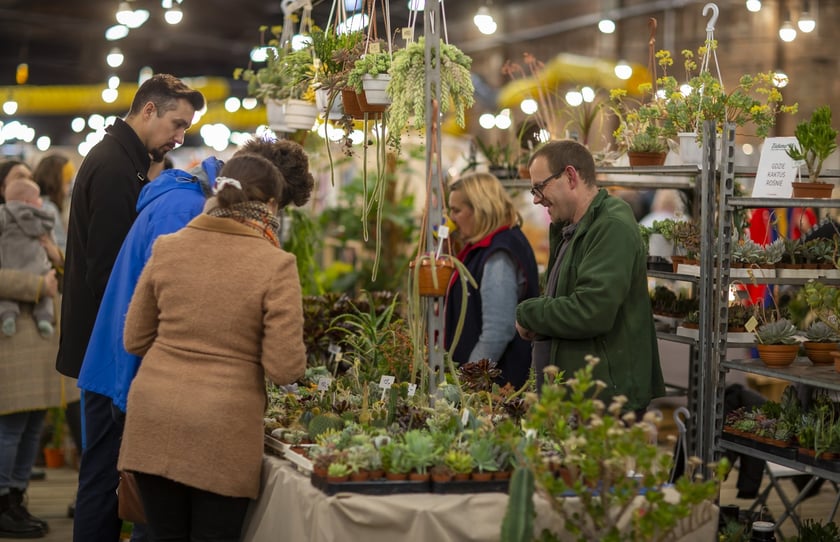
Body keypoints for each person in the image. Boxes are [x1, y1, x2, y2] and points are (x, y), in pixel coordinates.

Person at [118, 154, 307, 541]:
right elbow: (285, 367)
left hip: (154, 418)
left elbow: (134, 338)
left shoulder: (168, 247)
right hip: (224, 427)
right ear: (271, 205)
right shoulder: (275, 264)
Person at [56, 73, 204, 542]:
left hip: (105, 342)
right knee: (103, 472)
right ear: (147, 111)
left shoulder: (120, 159)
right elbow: (109, 271)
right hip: (108, 347)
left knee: (105, 469)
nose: (179, 137)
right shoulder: (117, 167)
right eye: (176, 125)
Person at [514, 140, 665, 413]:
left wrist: (528, 313)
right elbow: (564, 298)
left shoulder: (611, 226)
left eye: (540, 187)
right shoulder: (570, 227)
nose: (536, 198)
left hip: (605, 400)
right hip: (578, 395)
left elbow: (591, 310)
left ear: (570, 176)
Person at [0, 160, 74, 539]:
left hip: (41, 338)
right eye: (17, 179)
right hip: (10, 338)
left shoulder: (40, 222)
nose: (27, 186)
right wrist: (35, 286)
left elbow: (60, 272)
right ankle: (3, 502)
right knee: (12, 424)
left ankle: (17, 495)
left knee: (33, 425)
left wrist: (56, 259)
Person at [444, 172, 539, 389]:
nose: (452, 218)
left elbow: (497, 331)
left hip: (496, 388)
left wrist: (467, 384)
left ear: (480, 209)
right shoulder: (490, 246)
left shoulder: (499, 255)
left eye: (457, 210)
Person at [0, 179, 57, 337]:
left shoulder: (5, 213)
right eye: (38, 198)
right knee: (45, 299)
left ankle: (7, 317)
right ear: (26, 201)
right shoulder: (42, 218)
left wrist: (57, 256)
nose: (41, 202)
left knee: (7, 302)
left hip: (11, 264)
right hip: (38, 269)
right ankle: (44, 318)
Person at [33, 153, 74, 252]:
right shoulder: (48, 209)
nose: (69, 188)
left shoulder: (39, 203)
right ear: (57, 181)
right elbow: (62, 248)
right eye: (67, 182)